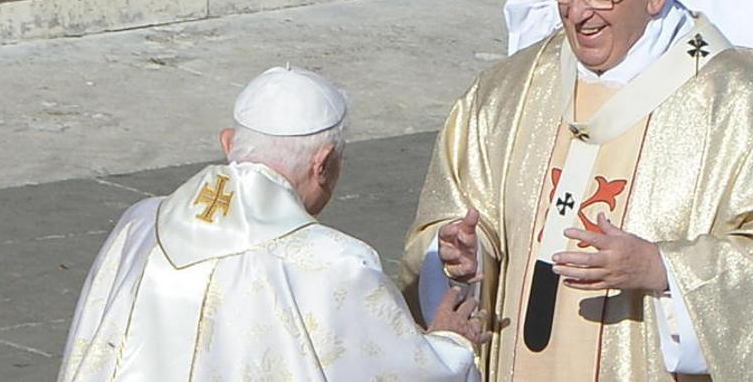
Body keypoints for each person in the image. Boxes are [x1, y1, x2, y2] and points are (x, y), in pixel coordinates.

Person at [401, 0, 753, 381]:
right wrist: (467, 257)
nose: (577, 13)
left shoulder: (738, 104)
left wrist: (662, 268)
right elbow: (459, 216)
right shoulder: (507, 94)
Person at [58, 66, 485, 381]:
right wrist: (450, 345)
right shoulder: (335, 264)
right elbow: (402, 372)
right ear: (323, 165)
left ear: (229, 143)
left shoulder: (139, 225)